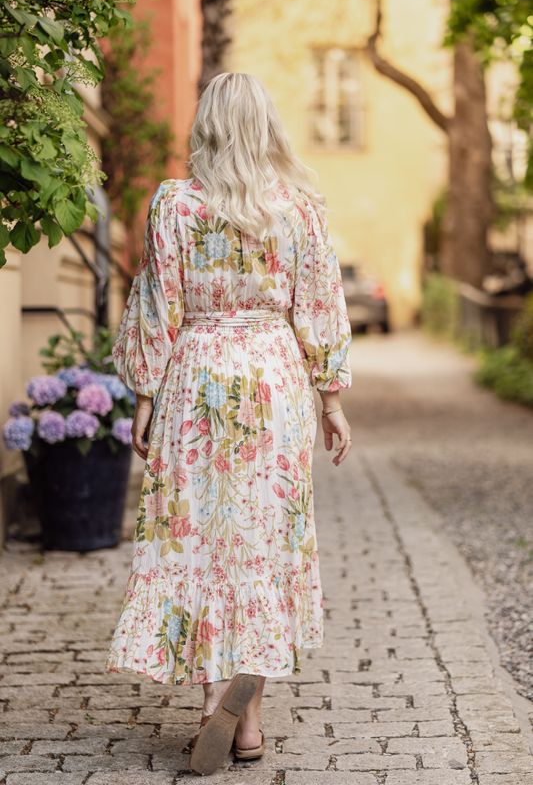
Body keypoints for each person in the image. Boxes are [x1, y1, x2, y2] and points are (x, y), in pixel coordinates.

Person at [105, 71, 353, 776]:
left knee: (199, 542)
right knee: (262, 544)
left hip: (197, 375)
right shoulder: (299, 208)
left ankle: (218, 693)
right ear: (267, 125)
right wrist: (331, 400)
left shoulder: (175, 204)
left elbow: (157, 302)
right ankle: (250, 725)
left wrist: (145, 396)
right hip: (273, 380)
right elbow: (322, 307)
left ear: (205, 126)